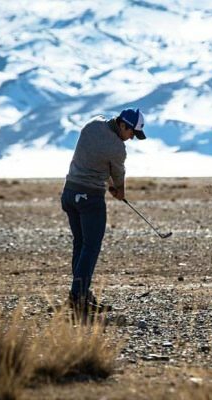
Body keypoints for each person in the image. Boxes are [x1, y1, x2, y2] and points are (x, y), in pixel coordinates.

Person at [61, 108, 147, 313]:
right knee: (90, 248)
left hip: (69, 194)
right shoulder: (118, 148)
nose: (131, 138)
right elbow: (118, 177)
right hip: (90, 199)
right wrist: (119, 191)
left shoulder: (93, 123)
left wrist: (108, 182)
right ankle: (77, 298)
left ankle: (82, 294)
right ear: (123, 125)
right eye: (132, 133)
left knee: (81, 245)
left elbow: (97, 160)